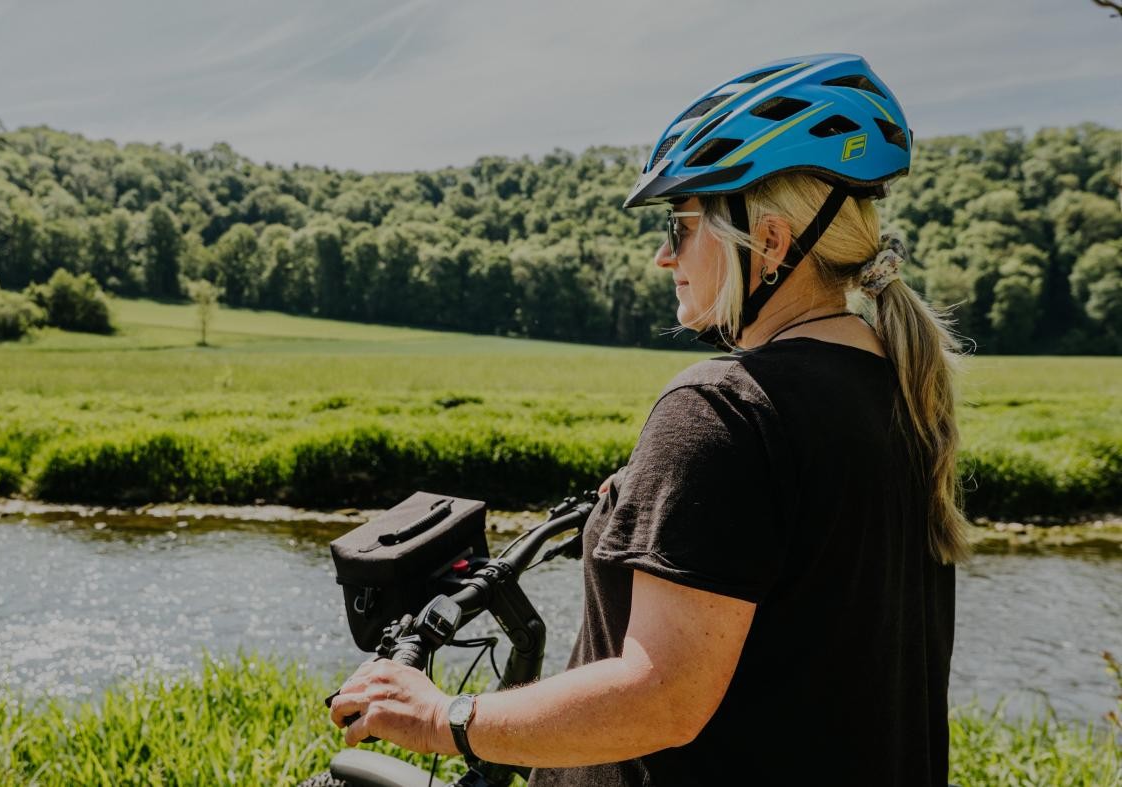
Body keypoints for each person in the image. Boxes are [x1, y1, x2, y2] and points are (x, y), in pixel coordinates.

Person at [327, 52, 966, 786]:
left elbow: (662, 696)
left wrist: (443, 718)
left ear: (769, 242)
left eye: (682, 224)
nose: (665, 257)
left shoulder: (724, 407)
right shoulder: (899, 391)